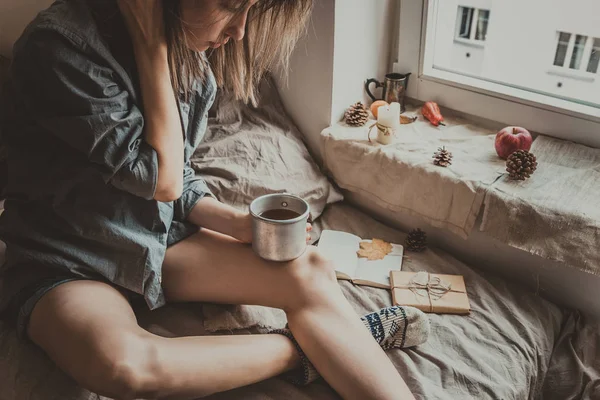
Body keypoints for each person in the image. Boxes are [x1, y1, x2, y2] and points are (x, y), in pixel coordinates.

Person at [0, 1, 429, 399]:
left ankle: (332, 342)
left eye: (249, 9)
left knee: (309, 271)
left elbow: (180, 178)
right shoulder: (58, 47)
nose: (239, 31)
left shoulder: (188, 51)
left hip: (154, 241)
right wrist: (151, 47)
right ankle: (311, 348)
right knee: (123, 366)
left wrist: (240, 223)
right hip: (66, 259)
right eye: (230, 5)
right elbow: (160, 179)